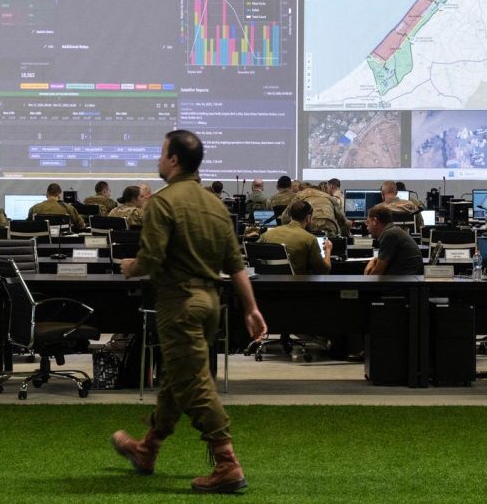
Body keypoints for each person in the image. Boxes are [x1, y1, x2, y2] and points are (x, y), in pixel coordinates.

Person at [112, 130, 266, 494]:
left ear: (174, 160)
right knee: (176, 377)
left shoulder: (162, 203)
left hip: (179, 303)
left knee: (195, 384)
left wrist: (130, 267)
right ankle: (148, 448)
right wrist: (252, 308)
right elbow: (236, 265)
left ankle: (227, 462)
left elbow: (151, 258)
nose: (158, 159)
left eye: (161, 153)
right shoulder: (216, 205)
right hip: (210, 304)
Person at [258, 200, 331, 275]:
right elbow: (323, 270)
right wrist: (328, 250)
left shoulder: (267, 234)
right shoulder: (310, 239)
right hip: (295, 281)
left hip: (268, 280)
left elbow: (253, 251)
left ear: (290, 216)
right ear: (308, 218)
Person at [363, 206, 423, 276]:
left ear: (375, 221)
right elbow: (383, 259)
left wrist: (366, 276)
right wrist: (373, 261)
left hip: (405, 279)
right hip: (407, 276)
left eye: (368, 222)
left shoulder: (389, 235)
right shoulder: (393, 231)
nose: (367, 227)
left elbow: (377, 272)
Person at [280, 182, 351, 237]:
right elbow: (342, 220)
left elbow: (284, 217)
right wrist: (345, 235)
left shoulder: (300, 195)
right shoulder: (328, 196)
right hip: (329, 228)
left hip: (308, 229)